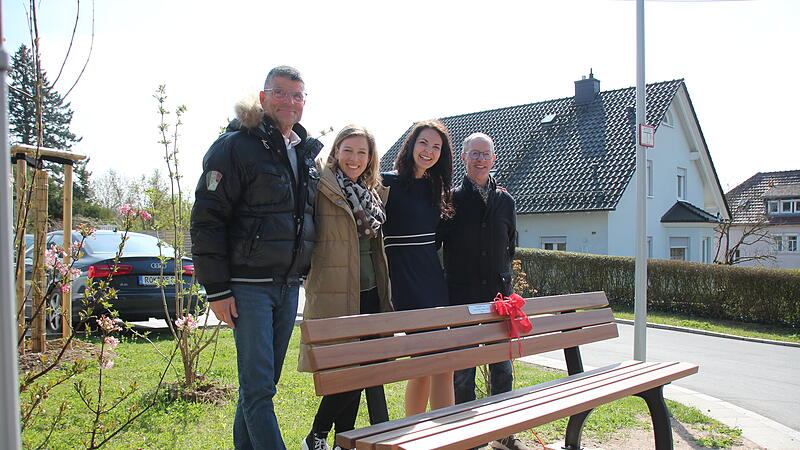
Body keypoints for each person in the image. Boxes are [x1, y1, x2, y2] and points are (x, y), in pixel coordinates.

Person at [190, 65, 322, 450]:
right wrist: (217, 289)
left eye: (297, 95)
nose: (289, 101)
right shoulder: (234, 146)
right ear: (263, 98)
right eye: (280, 93)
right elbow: (207, 220)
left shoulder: (304, 153)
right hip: (248, 287)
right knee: (259, 389)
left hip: (288, 285)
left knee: (260, 386)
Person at [299, 125, 393, 450]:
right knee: (347, 373)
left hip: (370, 292)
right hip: (335, 291)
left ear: (370, 158)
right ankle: (317, 435)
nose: (354, 158)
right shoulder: (321, 187)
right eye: (348, 150)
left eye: (361, 152)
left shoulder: (371, 192)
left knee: (362, 370)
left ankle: (343, 440)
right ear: (336, 151)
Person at [438, 133, 530, 450]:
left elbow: (510, 246)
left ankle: (503, 435)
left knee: (502, 369)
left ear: (493, 159)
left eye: (485, 154)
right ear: (463, 158)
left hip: (498, 299)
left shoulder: (506, 201)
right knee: (463, 372)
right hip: (461, 298)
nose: (480, 159)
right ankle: (468, 438)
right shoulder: (451, 199)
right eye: (474, 154)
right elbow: (437, 244)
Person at [381, 120, 455, 416]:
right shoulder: (386, 182)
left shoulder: (437, 187)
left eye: (436, 147)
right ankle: (423, 432)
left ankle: (436, 432)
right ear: (411, 145)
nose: (429, 151)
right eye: (424, 143)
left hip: (432, 279)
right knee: (430, 359)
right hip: (404, 278)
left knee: (438, 362)